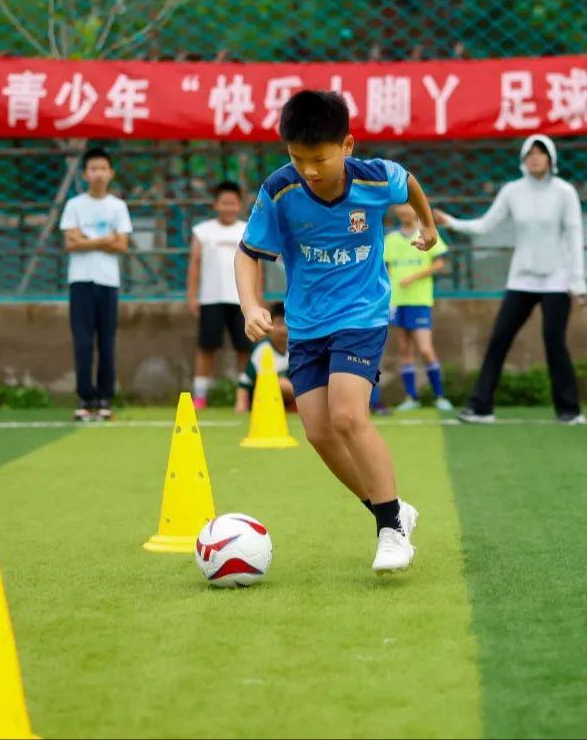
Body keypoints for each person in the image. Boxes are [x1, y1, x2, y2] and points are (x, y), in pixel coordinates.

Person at [235, 90, 438, 574]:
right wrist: (250, 305)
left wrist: (427, 225)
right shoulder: (279, 190)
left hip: (362, 314)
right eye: (297, 158)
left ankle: (390, 530)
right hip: (306, 324)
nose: (308, 170)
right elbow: (248, 254)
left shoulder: (374, 177)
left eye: (319, 159)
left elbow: (409, 183)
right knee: (320, 432)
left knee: (347, 416)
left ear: (347, 145)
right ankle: (392, 510)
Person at [434, 134, 586, 424]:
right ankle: (481, 408)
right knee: (499, 339)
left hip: (556, 280)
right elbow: (485, 225)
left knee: (554, 342)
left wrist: (578, 285)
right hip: (521, 279)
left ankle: (569, 411)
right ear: (523, 159)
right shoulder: (512, 191)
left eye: (540, 153)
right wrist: (451, 222)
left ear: (551, 159)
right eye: (530, 154)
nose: (535, 159)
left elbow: (574, 237)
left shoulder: (564, 192)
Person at [59, 147, 132, 422]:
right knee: (83, 342)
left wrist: (86, 240)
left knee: (106, 342)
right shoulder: (74, 205)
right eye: (93, 169)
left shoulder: (118, 207)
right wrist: (105, 239)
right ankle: (84, 398)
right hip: (80, 282)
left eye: (103, 168)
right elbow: (69, 243)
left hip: (108, 282)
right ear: (85, 174)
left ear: (111, 173)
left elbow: (122, 245)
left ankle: (104, 399)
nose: (98, 174)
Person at [187, 181, 252, 410]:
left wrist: (256, 298)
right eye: (224, 203)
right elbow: (195, 264)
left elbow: (256, 265)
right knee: (207, 348)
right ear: (215, 205)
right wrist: (192, 296)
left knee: (244, 348)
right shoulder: (202, 231)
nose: (228, 207)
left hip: (242, 300)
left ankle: (244, 396)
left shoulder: (247, 229)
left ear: (239, 205)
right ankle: (200, 396)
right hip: (211, 298)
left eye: (233, 203)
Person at [384, 203, 454, 412]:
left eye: (407, 206)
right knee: (405, 349)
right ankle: (411, 397)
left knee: (425, 349)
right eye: (399, 207)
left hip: (420, 300)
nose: (403, 211)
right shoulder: (391, 239)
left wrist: (413, 277)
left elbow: (439, 263)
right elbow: (385, 268)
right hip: (397, 301)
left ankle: (440, 396)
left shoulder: (427, 233)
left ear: (415, 209)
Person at [234, 302, 295, 412]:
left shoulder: (295, 349)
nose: (283, 329)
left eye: (287, 324)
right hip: (262, 401)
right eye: (279, 323)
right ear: (270, 325)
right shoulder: (262, 350)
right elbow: (245, 382)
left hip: (288, 400)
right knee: (283, 384)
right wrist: (241, 405)